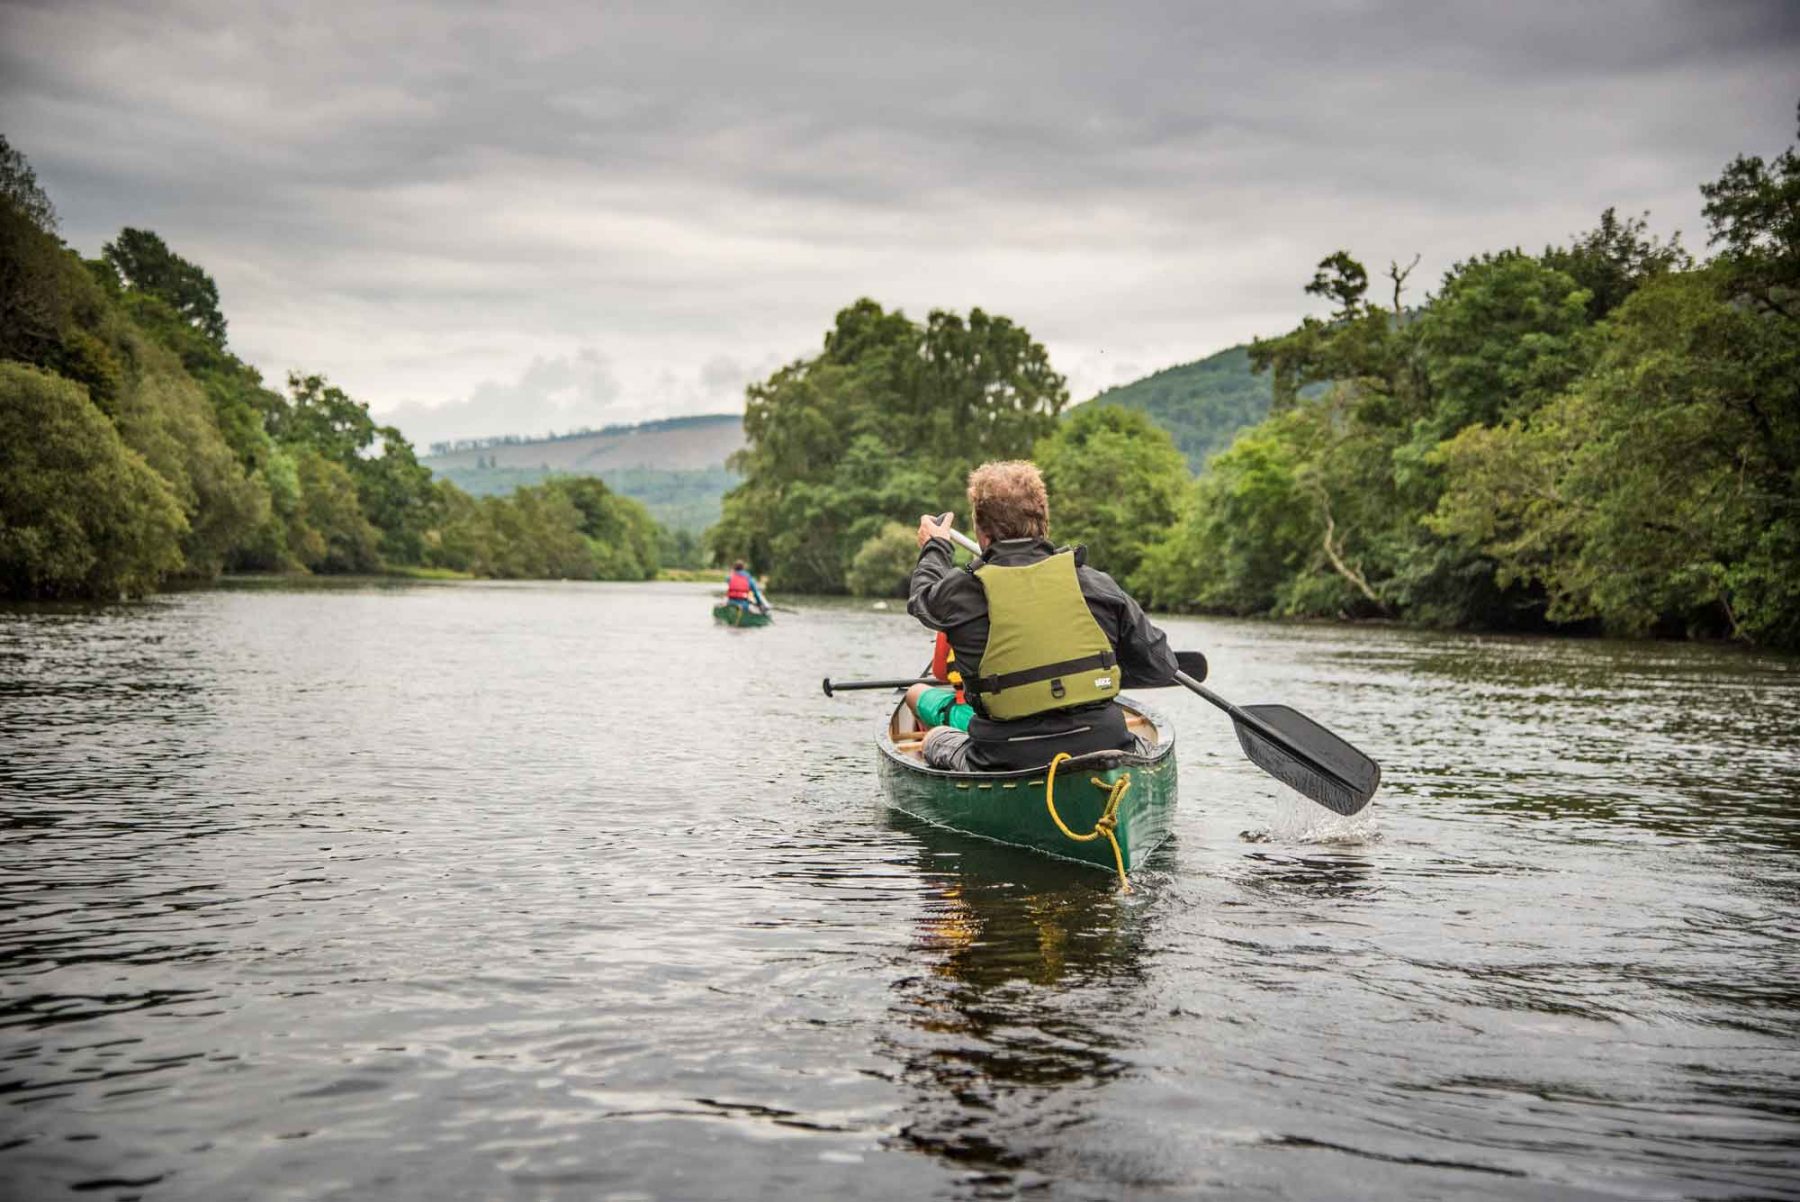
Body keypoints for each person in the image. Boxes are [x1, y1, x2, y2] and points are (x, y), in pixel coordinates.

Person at [904, 460, 1181, 772]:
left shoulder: (961, 592)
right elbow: (1161, 667)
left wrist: (935, 547)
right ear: (1044, 523)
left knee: (934, 739)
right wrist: (1097, 674)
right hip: (1103, 743)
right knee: (1143, 747)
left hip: (1004, 759)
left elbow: (921, 598)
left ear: (981, 533)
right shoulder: (1096, 584)